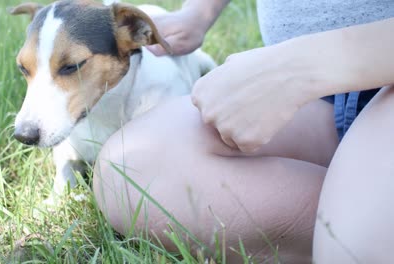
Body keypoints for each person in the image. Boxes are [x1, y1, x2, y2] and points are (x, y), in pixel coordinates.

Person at [93, 0, 394, 262]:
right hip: (323, 101)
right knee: (130, 167)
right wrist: (198, 12)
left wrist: (299, 69)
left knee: (355, 246)